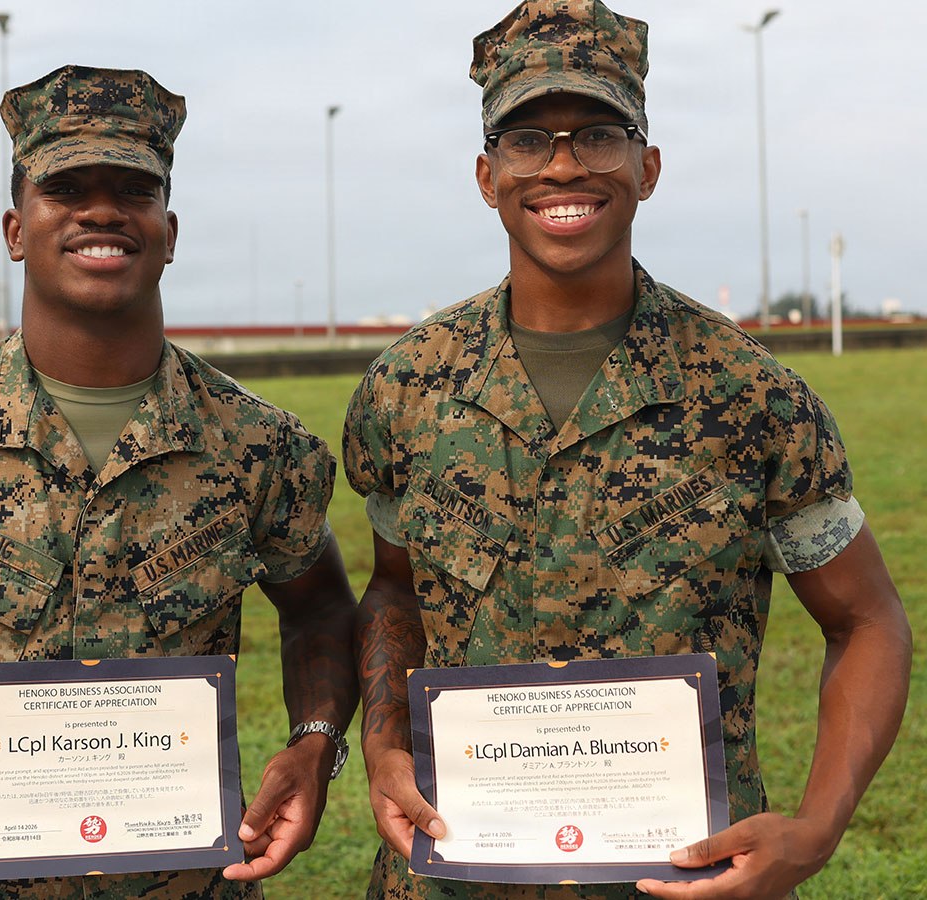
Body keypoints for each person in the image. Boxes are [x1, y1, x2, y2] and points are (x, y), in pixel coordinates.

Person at [342, 3, 911, 899]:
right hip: (453, 877)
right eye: (528, 139)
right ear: (488, 176)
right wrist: (382, 743)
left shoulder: (752, 395)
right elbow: (392, 589)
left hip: (686, 878)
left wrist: (817, 827)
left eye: (599, 135)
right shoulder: (406, 389)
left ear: (647, 168)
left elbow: (868, 620)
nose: (563, 165)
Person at [0, 64, 357, 900]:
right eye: (66, 189)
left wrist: (315, 739)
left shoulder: (259, 447)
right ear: (16, 229)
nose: (102, 212)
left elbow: (321, 608)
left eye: (134, 190)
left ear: (169, 231)